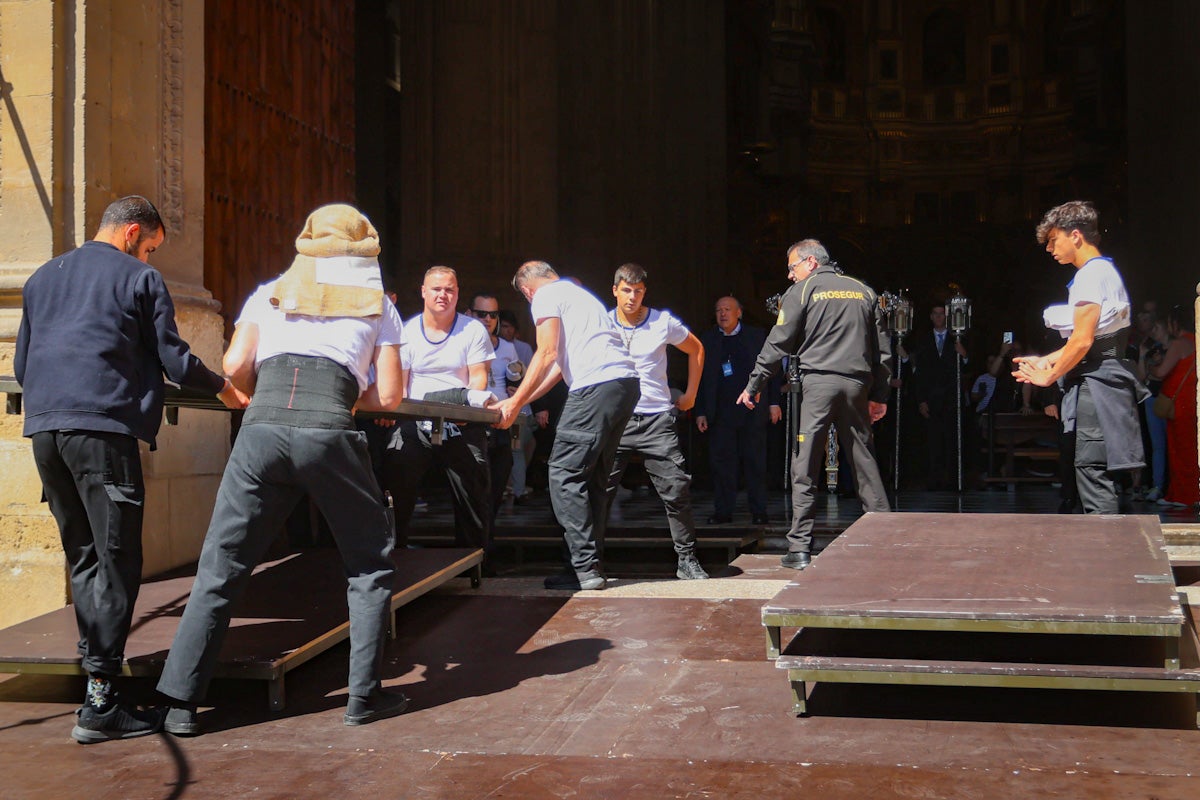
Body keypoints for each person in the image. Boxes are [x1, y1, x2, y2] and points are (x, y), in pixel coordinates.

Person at [155, 204, 406, 733]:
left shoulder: (271, 291)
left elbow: (232, 366)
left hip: (261, 429)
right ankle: (363, 698)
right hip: (329, 429)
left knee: (221, 567)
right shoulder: (378, 304)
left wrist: (266, 391)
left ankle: (180, 705)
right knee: (368, 565)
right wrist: (343, 392)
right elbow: (389, 396)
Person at [13, 196, 247, 744]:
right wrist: (223, 387)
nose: (149, 259)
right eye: (150, 248)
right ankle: (100, 701)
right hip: (103, 431)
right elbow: (174, 358)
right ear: (132, 232)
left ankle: (96, 681)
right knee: (118, 560)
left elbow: (22, 365)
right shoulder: (138, 279)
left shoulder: (43, 277)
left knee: (85, 557)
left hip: (45, 430)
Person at [736, 239, 891, 570]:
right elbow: (883, 351)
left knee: (805, 464)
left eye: (792, 267)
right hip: (856, 385)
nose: (790, 275)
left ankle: (800, 547)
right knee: (864, 461)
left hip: (818, 385)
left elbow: (778, 342)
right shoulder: (864, 291)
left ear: (810, 262)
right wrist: (879, 396)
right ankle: (884, 540)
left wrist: (755, 384)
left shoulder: (803, 291)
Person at [493, 261, 640, 591]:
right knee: (593, 479)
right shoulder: (580, 296)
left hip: (595, 385)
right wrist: (521, 401)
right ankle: (585, 567)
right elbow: (559, 365)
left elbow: (545, 353)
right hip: (624, 385)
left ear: (528, 290)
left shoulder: (546, 296)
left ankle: (584, 567)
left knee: (563, 474)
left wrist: (513, 405)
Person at [1013, 200, 1147, 514]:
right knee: (1090, 468)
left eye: (1053, 240)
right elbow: (1093, 337)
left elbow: (1083, 340)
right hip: (1102, 374)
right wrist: (1048, 359)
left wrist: (1048, 375)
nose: (1049, 248)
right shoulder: (1102, 272)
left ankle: (1104, 544)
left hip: (1098, 381)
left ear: (1075, 235)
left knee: (1092, 468)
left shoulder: (1091, 275)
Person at [604, 263, 709, 580]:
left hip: (656, 420)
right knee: (599, 491)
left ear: (644, 292)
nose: (632, 297)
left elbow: (696, 349)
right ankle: (585, 562)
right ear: (615, 290)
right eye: (626, 290)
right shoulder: (601, 323)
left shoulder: (662, 322)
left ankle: (687, 559)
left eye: (638, 291)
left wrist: (690, 394)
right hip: (617, 420)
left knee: (676, 489)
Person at [382, 267, 495, 552]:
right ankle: (394, 553)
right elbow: (401, 386)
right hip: (415, 418)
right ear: (423, 291)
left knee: (474, 491)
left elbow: (478, 378)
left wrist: (466, 412)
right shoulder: (407, 330)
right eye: (436, 289)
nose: (443, 295)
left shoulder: (473, 329)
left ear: (457, 294)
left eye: (449, 289)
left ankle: (473, 561)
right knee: (397, 477)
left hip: (461, 418)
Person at [695, 296, 780, 524]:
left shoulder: (756, 336)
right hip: (721, 413)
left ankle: (759, 511)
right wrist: (700, 410)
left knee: (755, 463)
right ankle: (723, 511)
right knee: (722, 465)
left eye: (727, 309)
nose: (723, 314)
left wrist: (774, 403)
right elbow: (700, 378)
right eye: (718, 310)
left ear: (739, 313)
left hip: (752, 411)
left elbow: (771, 369)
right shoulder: (708, 339)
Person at [468, 294, 518, 515]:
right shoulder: (463, 342)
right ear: (469, 314)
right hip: (471, 418)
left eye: (493, 314)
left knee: (501, 473)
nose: (488, 319)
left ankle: (490, 528)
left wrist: (515, 389)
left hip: (500, 417)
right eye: (482, 314)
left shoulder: (507, 348)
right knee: (477, 479)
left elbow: (515, 377)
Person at [912, 305, 968, 490]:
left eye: (941, 314)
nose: (938, 317)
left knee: (952, 440)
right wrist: (921, 400)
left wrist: (964, 355)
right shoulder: (924, 340)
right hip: (931, 398)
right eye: (935, 314)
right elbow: (920, 373)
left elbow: (968, 367)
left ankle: (953, 480)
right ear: (931, 316)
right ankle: (933, 479)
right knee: (933, 441)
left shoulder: (957, 338)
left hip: (952, 398)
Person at [1151, 304, 1197, 508]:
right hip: (1192, 401)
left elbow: (1161, 372)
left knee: (1179, 451)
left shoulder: (1179, 343)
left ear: (1174, 323)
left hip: (1179, 404)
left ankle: (1183, 495)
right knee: (1192, 450)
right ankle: (1191, 493)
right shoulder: (1195, 341)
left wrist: (1152, 366)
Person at [498, 309, 536, 501]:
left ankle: (516, 488)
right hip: (500, 406)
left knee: (519, 448)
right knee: (512, 449)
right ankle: (512, 486)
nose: (507, 330)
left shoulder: (523, 348)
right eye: (503, 326)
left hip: (522, 408)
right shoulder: (492, 346)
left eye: (510, 327)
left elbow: (532, 376)